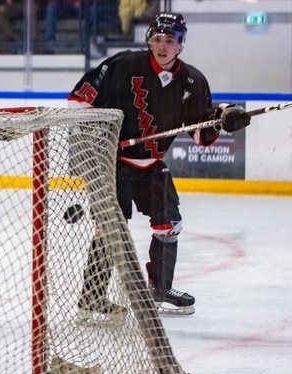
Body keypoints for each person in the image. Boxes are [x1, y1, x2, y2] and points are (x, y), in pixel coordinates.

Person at [67, 13, 251, 315]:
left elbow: (199, 133)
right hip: (112, 162)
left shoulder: (192, 80)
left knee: (169, 224)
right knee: (111, 228)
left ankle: (161, 289)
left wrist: (222, 121)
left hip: (151, 164)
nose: (162, 46)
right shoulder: (123, 65)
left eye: (170, 40)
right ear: (148, 40)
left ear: (180, 44)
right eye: (157, 39)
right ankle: (92, 297)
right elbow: (79, 100)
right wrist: (99, 133)